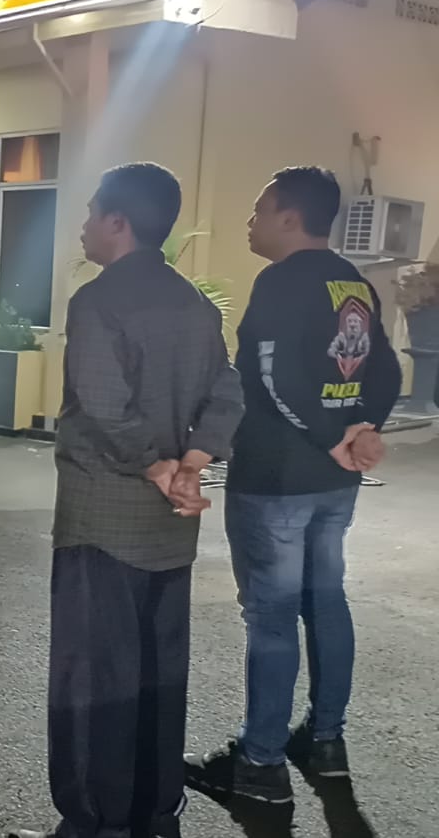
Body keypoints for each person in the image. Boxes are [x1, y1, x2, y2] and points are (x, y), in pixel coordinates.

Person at [8, 164, 243, 838]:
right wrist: (192, 464)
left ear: (119, 222)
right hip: (169, 531)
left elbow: (105, 406)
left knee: (94, 680)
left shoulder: (99, 301)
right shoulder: (195, 304)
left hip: (101, 525)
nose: (83, 226)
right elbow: (228, 391)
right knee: (158, 676)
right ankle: (154, 816)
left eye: (91, 214)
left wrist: (160, 465)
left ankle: (94, 823)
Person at [184, 167, 401, 805]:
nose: (250, 223)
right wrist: (362, 430)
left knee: (273, 616)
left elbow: (274, 376)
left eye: (258, 210)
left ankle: (260, 763)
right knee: (326, 601)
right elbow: (386, 367)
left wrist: (334, 436)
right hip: (335, 482)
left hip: (277, 478)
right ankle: (325, 743)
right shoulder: (352, 281)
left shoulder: (282, 281)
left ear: (288, 216)